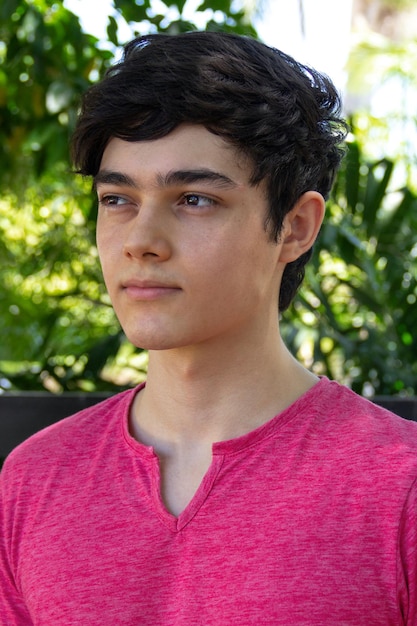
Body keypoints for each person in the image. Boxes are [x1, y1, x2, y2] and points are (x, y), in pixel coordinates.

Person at [1, 31, 416, 626]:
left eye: (194, 199)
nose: (141, 241)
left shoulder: (398, 489)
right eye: (117, 199)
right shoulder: (35, 480)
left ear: (296, 227)